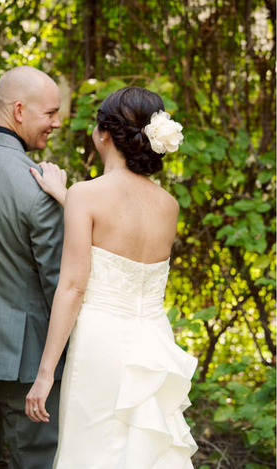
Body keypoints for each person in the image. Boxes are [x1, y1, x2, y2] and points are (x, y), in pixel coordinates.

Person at [25, 86, 197, 468]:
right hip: (152, 341)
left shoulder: (88, 196)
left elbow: (72, 287)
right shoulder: (168, 206)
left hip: (99, 346)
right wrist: (64, 194)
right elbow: (120, 232)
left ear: (104, 133)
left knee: (93, 451)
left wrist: (45, 374)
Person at [0, 66, 64, 468]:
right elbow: (58, 282)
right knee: (35, 461)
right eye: (51, 113)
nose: (56, 123)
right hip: (23, 360)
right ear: (20, 111)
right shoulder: (37, 185)